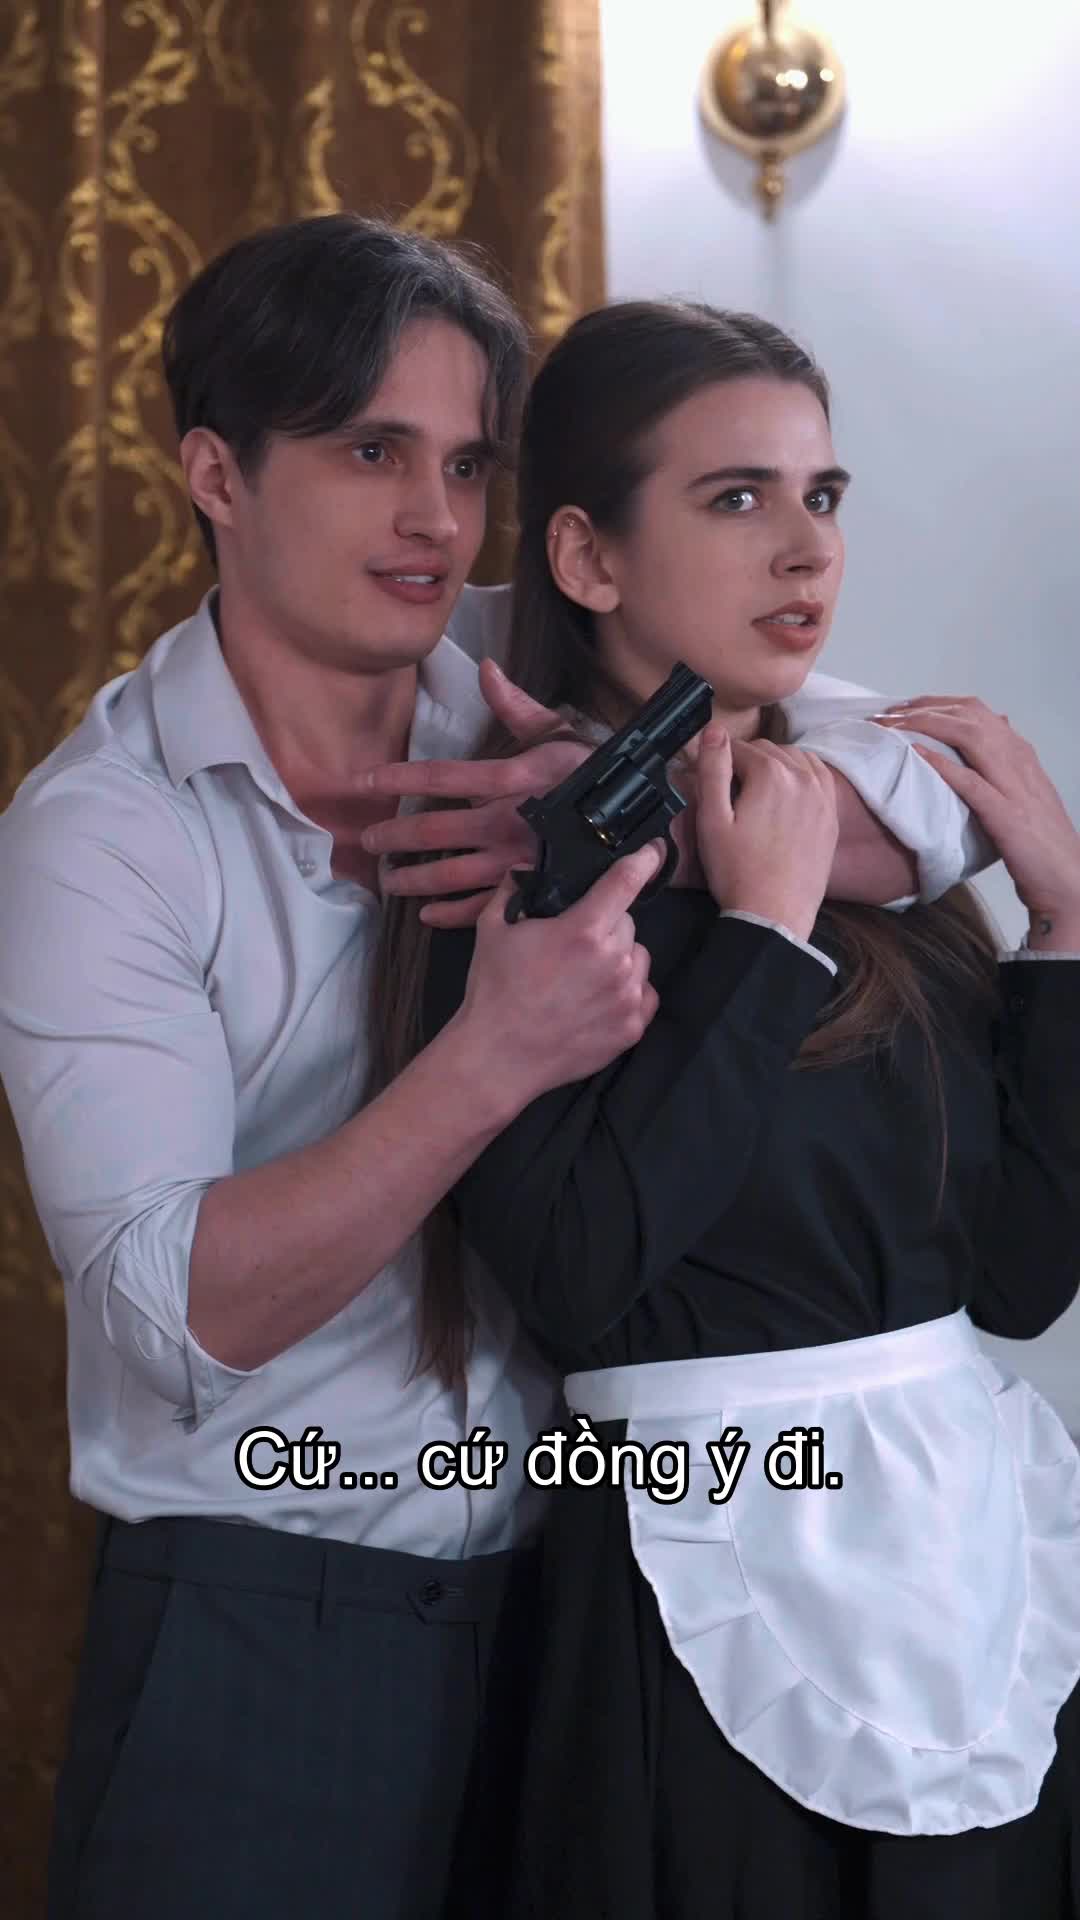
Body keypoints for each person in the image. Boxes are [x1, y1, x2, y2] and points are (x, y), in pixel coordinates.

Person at [0, 216, 992, 1920]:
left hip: (585, 1598)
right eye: (370, 452)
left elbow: (924, 779)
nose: (437, 520)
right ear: (217, 475)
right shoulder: (103, 838)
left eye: (467, 464)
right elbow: (175, 1313)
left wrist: (661, 820)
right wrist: (495, 1055)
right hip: (269, 1623)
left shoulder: (521, 684)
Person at [390, 299, 1080, 1917]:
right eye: (736, 498)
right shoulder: (529, 880)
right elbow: (577, 1278)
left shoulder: (892, 867)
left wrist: (1064, 930)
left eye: (821, 495)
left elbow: (1019, 1280)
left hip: (965, 1581)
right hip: (685, 1605)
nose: (805, 549)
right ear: (587, 556)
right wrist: (759, 938)